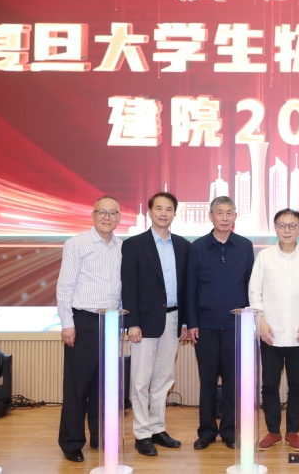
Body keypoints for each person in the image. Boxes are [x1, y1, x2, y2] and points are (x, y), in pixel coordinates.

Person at [249, 208, 299, 452]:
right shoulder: (264, 257)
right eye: (282, 225)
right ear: (275, 228)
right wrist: (260, 321)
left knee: (297, 387)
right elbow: (254, 291)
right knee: (269, 386)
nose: (287, 230)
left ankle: (293, 431)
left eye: (292, 225)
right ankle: (273, 432)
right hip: (270, 333)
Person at [122, 192, 190, 456]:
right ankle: (142, 433)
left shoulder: (183, 246)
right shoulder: (134, 245)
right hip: (144, 322)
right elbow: (129, 286)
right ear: (150, 212)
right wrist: (132, 322)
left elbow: (186, 288)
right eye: (159, 208)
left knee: (164, 378)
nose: (163, 213)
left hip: (173, 319)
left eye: (168, 209)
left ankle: (157, 427)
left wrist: (186, 320)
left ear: (174, 213)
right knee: (141, 380)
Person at [56, 196, 123, 463]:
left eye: (113, 213)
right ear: (93, 215)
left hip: (112, 321)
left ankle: (100, 437)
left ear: (119, 218)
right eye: (102, 212)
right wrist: (67, 323)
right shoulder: (76, 244)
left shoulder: (122, 246)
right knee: (77, 386)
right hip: (83, 321)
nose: (107, 217)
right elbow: (65, 286)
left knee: (105, 386)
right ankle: (72, 442)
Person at [185, 196, 255, 450]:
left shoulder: (245, 246)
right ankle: (206, 432)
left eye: (229, 213)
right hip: (205, 325)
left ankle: (229, 431)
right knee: (207, 381)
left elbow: (251, 285)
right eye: (220, 213)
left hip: (236, 326)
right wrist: (191, 322)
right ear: (211, 216)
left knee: (233, 383)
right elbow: (190, 288)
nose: (225, 218)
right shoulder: (198, 247)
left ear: (235, 216)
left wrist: (249, 319)